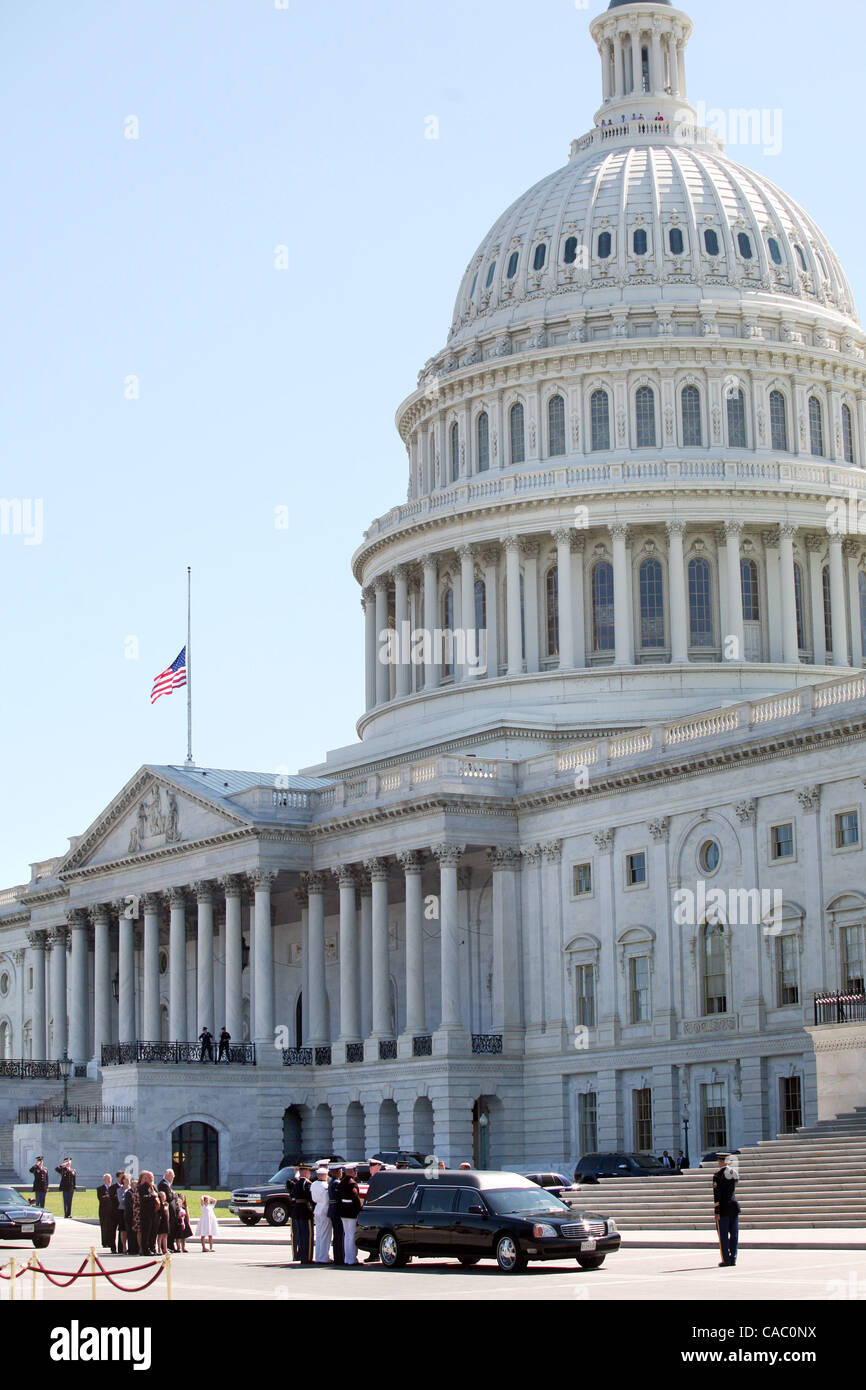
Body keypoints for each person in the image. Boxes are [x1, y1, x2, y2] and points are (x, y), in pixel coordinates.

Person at [713, 1155, 740, 1268]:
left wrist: (717, 1211)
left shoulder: (717, 1175)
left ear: (720, 1162)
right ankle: (733, 1258)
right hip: (733, 1206)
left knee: (723, 1235)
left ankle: (726, 1259)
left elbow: (717, 1195)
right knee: (734, 1234)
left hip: (723, 1208)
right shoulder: (733, 1173)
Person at [290, 1164, 315, 1265]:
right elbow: (311, 1198)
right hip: (305, 1211)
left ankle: (301, 1256)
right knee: (307, 1235)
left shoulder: (296, 1183)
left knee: (301, 1235)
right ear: (305, 1173)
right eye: (309, 1172)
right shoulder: (307, 1183)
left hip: (297, 1211)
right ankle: (307, 1258)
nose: (310, 1174)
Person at [338, 1164, 362, 1267]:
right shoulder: (352, 1183)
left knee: (347, 1235)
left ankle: (347, 1258)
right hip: (351, 1212)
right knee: (351, 1236)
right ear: (352, 1172)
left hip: (343, 1212)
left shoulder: (341, 1182)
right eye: (355, 1171)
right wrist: (360, 1210)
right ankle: (352, 1259)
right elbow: (356, 1199)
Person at [362, 1159, 384, 1263]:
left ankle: (374, 1254)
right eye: (370, 1166)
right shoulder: (375, 1178)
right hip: (374, 1208)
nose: (370, 1168)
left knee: (373, 1232)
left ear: (378, 1167)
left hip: (375, 1209)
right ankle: (374, 1254)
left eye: (373, 1166)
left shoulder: (376, 1179)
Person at [310, 1164, 332, 1264]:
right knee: (325, 1235)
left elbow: (313, 1199)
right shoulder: (325, 1186)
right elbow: (327, 1200)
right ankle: (324, 1257)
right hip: (324, 1209)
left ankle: (318, 1256)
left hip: (317, 1208)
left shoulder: (314, 1184)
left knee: (319, 1235)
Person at [137, 1172, 160, 1256]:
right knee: (146, 1232)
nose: (151, 1179)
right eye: (150, 1177)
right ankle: (145, 1250)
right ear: (146, 1178)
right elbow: (144, 1198)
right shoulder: (142, 1187)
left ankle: (152, 1248)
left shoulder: (154, 1187)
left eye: (152, 1177)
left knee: (153, 1232)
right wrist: (152, 1196)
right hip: (146, 1213)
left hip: (155, 1213)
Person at [328, 1166, 345, 1265]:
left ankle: (337, 1257)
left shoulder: (331, 1182)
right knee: (339, 1235)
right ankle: (339, 1258)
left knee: (337, 1235)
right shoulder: (336, 1183)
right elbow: (339, 1198)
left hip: (332, 1210)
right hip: (337, 1211)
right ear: (337, 1172)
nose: (341, 1173)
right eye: (340, 1171)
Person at [96, 1173, 116, 1251]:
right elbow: (101, 1199)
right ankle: (105, 1242)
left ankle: (111, 1242)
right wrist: (109, 1197)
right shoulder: (100, 1189)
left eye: (110, 1179)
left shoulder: (113, 1188)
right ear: (104, 1180)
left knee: (111, 1228)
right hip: (104, 1211)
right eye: (107, 1179)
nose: (109, 1181)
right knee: (104, 1227)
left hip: (112, 1211)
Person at [157, 1170, 176, 1250]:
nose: (173, 1178)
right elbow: (169, 1197)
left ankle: (170, 1246)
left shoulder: (167, 1185)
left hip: (170, 1210)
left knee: (170, 1229)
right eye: (172, 1176)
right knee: (166, 1230)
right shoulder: (163, 1184)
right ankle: (166, 1246)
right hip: (166, 1210)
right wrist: (174, 1194)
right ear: (167, 1175)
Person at [115, 1174, 130, 1253]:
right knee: (123, 1229)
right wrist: (128, 1196)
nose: (128, 1181)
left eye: (129, 1179)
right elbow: (120, 1200)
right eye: (126, 1179)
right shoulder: (120, 1190)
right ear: (123, 1180)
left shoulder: (132, 1189)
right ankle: (124, 1246)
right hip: (122, 1210)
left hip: (130, 1211)